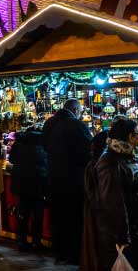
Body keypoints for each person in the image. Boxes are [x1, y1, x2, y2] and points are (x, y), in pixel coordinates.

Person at [82, 116, 138, 271]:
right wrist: (122, 236)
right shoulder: (110, 162)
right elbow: (113, 203)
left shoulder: (132, 156)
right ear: (129, 136)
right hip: (130, 234)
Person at [42, 98, 92, 264]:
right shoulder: (77, 125)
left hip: (53, 178)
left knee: (57, 217)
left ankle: (59, 252)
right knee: (73, 218)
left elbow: (44, 148)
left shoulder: (49, 123)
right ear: (76, 111)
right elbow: (88, 152)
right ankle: (73, 254)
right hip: (73, 180)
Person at [8, 120, 49, 251]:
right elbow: (47, 162)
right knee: (37, 216)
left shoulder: (19, 143)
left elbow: (12, 159)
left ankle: (21, 241)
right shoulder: (43, 144)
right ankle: (36, 242)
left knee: (22, 215)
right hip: (38, 184)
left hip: (22, 184)